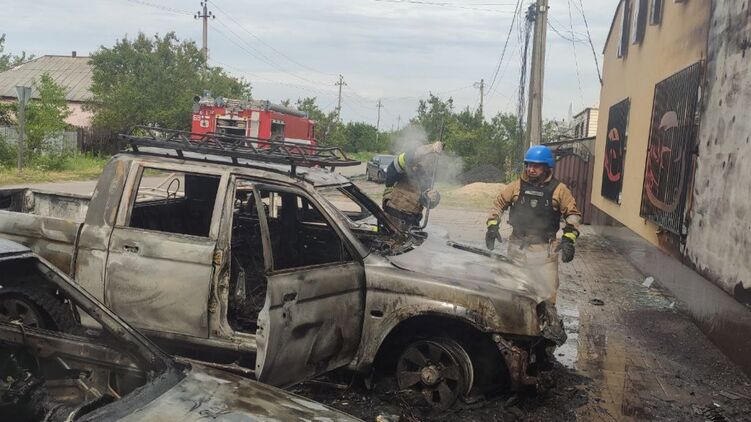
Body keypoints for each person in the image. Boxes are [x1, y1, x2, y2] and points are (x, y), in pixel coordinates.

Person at [485, 145, 581, 304]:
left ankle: (545, 318)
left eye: (536, 166)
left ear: (546, 167)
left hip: (544, 251)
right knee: (513, 291)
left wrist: (568, 239)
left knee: (546, 296)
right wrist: (492, 226)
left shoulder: (559, 190)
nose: (531, 169)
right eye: (529, 165)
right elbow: (498, 204)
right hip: (517, 246)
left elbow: (573, 215)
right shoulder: (516, 186)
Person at [382, 142, 443, 230]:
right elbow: (407, 158)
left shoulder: (423, 177)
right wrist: (430, 148)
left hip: (412, 224)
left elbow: (425, 201)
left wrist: (433, 197)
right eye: (415, 162)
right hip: (392, 220)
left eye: (420, 164)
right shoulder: (397, 169)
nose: (416, 167)